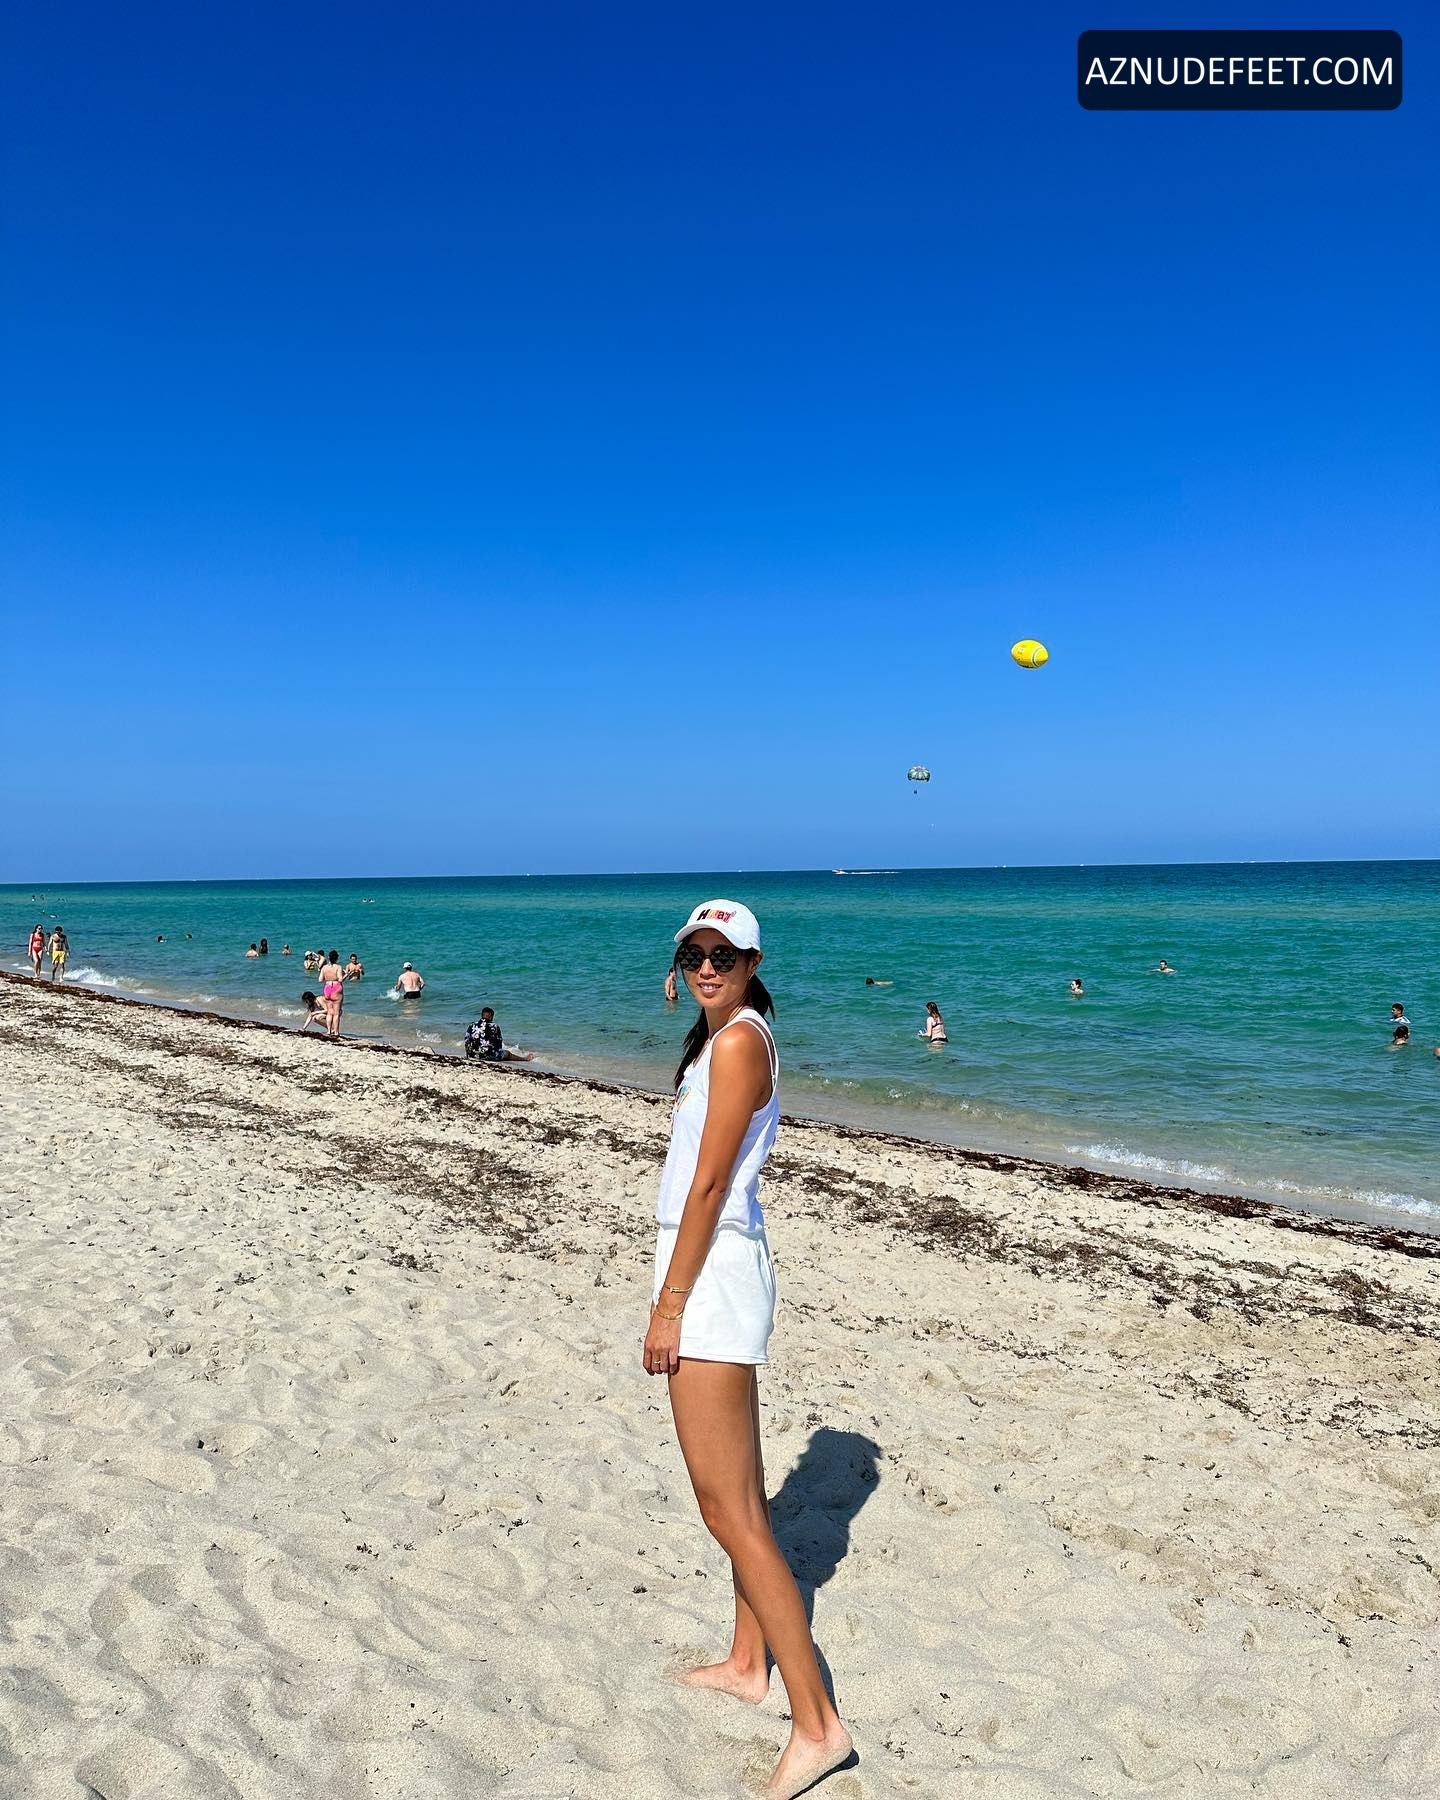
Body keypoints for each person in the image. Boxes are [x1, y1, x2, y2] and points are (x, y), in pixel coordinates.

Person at [644, 900, 851, 1798]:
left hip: (713, 1278)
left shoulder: (737, 1044)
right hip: (717, 1264)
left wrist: (670, 1307)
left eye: (723, 955)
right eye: (693, 954)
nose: (706, 967)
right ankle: (745, 1662)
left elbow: (710, 1185)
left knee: (725, 1510)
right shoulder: (724, 1037)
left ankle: (819, 1726)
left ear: (753, 961)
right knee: (744, 1501)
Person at [464, 1006, 534, 1063]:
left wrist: (468, 1054)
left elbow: (466, 1041)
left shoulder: (471, 1025)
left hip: (472, 1055)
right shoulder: (495, 1026)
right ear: (491, 1017)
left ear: (482, 1015)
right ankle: (525, 1059)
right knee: (507, 1054)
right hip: (487, 1056)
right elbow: (499, 1044)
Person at [318, 949, 345, 1039]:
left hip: (327, 988)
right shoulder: (338, 967)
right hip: (336, 988)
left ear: (329, 958)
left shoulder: (324, 967)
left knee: (329, 1012)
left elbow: (320, 979)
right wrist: (344, 974)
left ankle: (329, 1030)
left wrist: (328, 978)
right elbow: (340, 979)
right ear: (337, 958)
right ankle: (336, 1032)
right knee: (336, 1013)